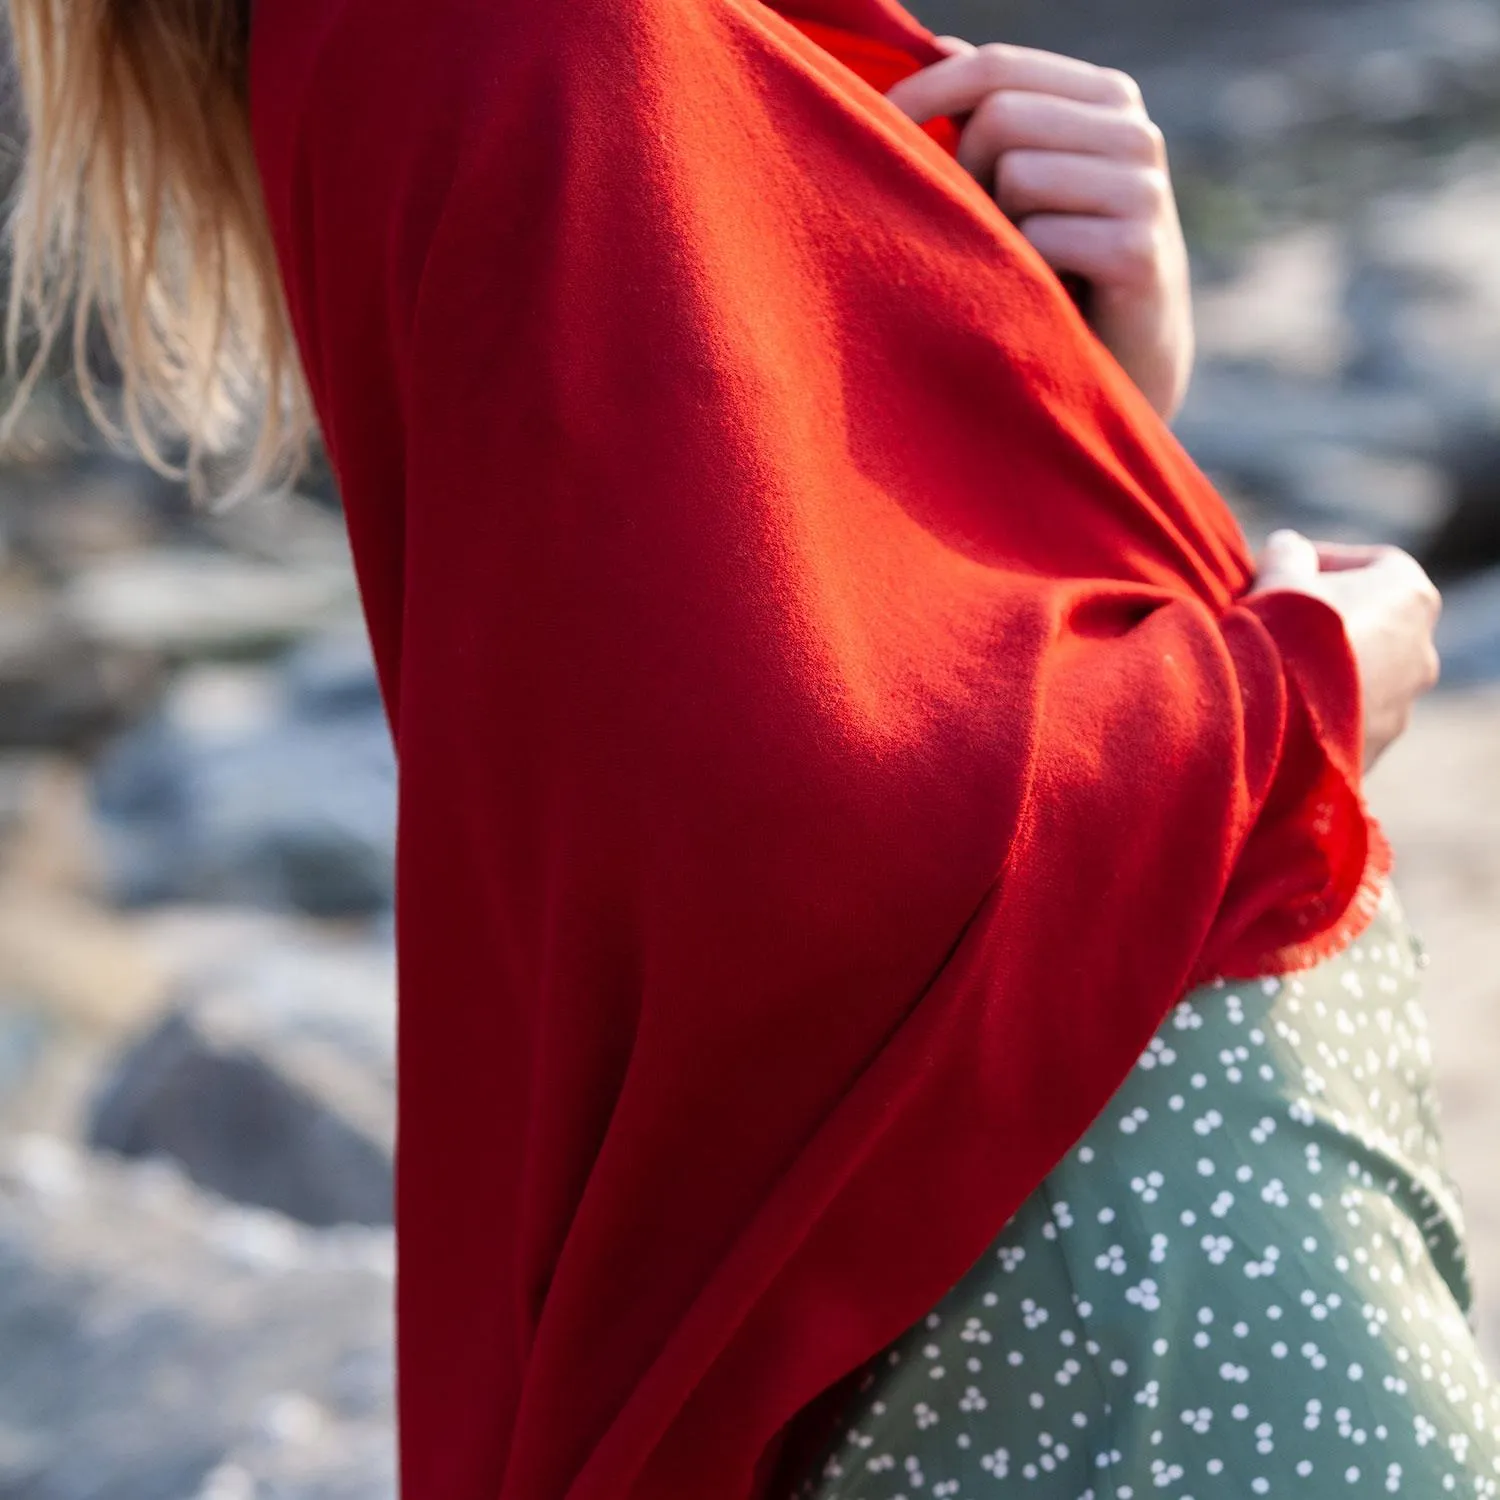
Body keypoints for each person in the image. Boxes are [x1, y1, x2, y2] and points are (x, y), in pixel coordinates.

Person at [2, 2, 1487, 1498]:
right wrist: (1292, 695)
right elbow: (769, 838)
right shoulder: (530, 28)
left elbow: (718, 684)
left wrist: (1072, 379)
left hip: (1086, 1271)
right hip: (1118, 1286)